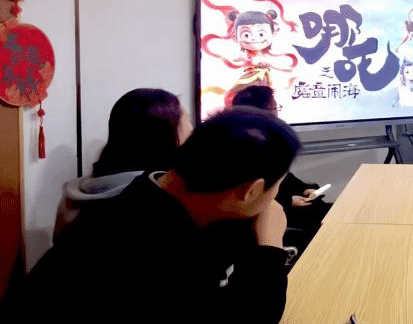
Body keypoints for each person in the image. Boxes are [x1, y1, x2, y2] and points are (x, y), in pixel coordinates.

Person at [19, 107, 299, 324]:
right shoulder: (152, 252)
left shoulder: (148, 196)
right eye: (277, 185)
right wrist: (270, 246)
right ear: (252, 190)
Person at [53, 88, 194, 239]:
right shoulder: (159, 203)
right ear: (164, 136)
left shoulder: (74, 198)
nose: (193, 129)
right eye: (188, 120)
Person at [231, 85, 330, 249]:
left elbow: (286, 180)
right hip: (274, 216)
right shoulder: (242, 147)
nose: (277, 113)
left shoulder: (266, 140)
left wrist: (305, 189)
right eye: (275, 107)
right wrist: (289, 201)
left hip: (286, 207)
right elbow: (246, 197)